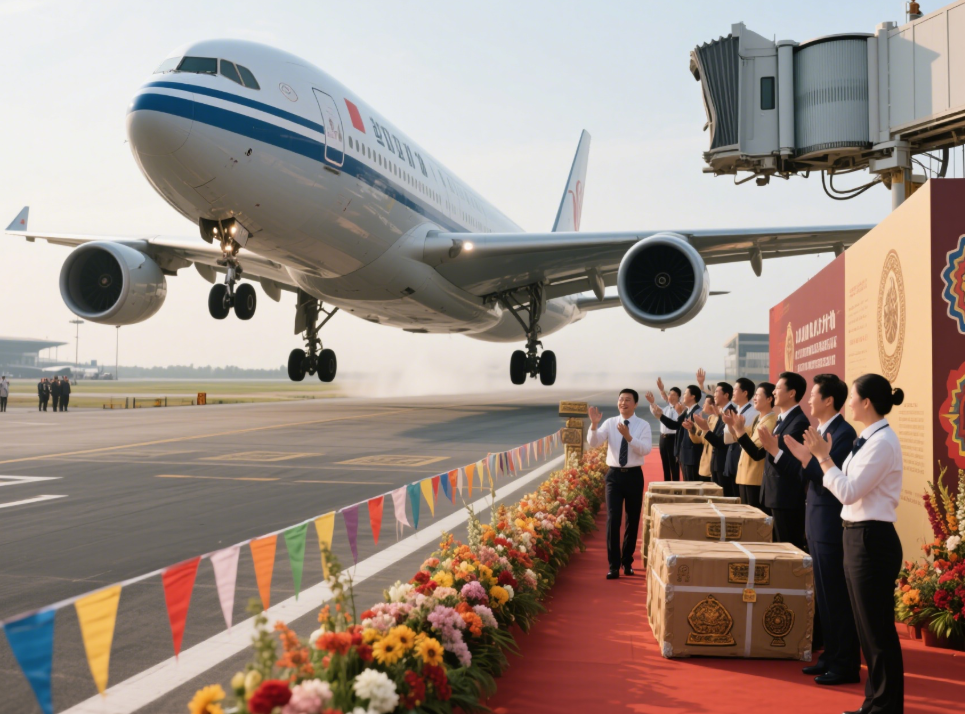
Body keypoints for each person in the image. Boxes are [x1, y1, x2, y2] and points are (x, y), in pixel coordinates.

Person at [784, 374, 905, 714]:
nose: (849, 401)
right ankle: (875, 703)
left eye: (852, 396)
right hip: (856, 534)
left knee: (877, 632)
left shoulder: (882, 443)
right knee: (868, 631)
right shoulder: (869, 438)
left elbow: (849, 491)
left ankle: (886, 705)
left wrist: (822, 458)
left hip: (872, 539)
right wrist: (817, 458)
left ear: (866, 402)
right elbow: (846, 484)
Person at [587, 389, 653, 579]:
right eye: (621, 400)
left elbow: (646, 449)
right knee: (613, 519)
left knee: (632, 520)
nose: (623, 403)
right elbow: (594, 442)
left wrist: (629, 437)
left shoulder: (643, 425)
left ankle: (627, 562)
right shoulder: (609, 422)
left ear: (635, 404)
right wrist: (593, 424)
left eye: (627, 400)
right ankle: (613, 565)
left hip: (633, 476)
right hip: (614, 476)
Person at [756, 371, 811, 549]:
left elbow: (789, 463)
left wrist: (773, 448)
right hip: (774, 496)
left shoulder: (798, 422)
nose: (774, 392)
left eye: (778, 388)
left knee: (787, 549)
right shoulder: (783, 419)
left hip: (786, 498)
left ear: (792, 393)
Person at [726, 382, 777, 510]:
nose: (754, 398)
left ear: (769, 399)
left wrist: (739, 430)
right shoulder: (758, 419)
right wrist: (733, 426)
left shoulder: (771, 422)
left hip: (755, 479)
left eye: (758, 395)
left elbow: (757, 452)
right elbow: (740, 437)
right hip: (745, 476)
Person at [690, 381, 736, 490]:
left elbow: (722, 443)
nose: (714, 394)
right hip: (716, 464)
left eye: (717, 392)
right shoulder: (721, 414)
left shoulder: (730, 413)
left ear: (726, 395)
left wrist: (705, 429)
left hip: (723, 464)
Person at [654, 382, 703, 481]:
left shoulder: (698, 412)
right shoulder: (686, 411)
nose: (683, 396)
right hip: (684, 454)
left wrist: (661, 416)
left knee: (693, 484)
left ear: (692, 396)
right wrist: (661, 417)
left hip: (693, 456)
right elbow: (675, 425)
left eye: (685, 393)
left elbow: (698, 434)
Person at [645, 379, 681, 481]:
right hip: (663, 439)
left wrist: (662, 391)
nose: (671, 396)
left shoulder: (680, 409)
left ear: (679, 397)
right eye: (670, 394)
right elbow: (655, 412)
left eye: (674, 395)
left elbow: (673, 424)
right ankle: (667, 486)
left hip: (673, 439)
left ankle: (676, 489)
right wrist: (652, 403)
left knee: (674, 466)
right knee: (665, 465)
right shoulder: (665, 409)